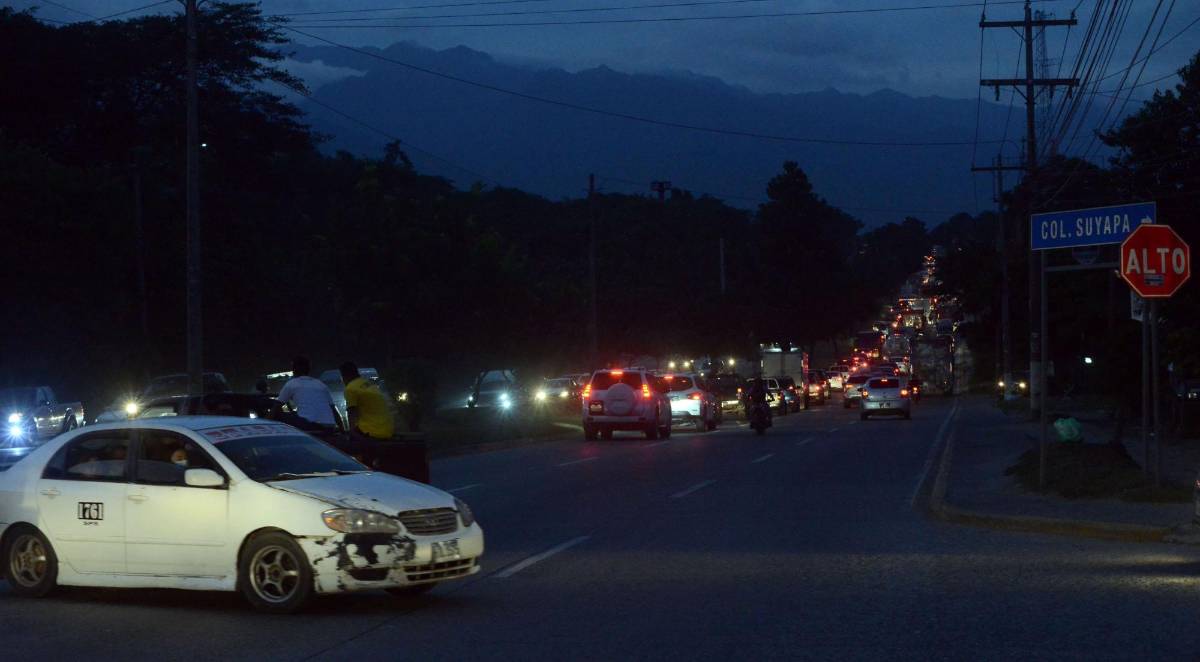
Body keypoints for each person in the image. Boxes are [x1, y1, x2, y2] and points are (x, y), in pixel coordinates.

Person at [276, 356, 337, 428]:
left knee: (281, 415)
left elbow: (276, 407)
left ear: (294, 369)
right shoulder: (320, 384)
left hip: (310, 425)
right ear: (309, 369)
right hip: (330, 426)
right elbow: (333, 409)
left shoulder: (292, 384)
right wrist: (342, 431)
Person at [341, 361, 394, 441]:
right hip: (387, 430)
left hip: (371, 433)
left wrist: (349, 434)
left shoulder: (350, 389)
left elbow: (352, 415)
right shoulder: (368, 384)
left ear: (344, 376)